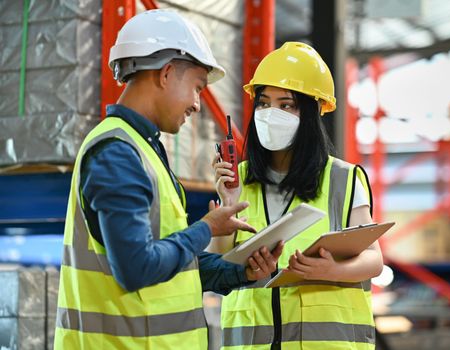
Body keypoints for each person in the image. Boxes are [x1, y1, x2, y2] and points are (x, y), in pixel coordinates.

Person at [54, 9, 282, 349]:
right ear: (166, 73)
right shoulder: (118, 154)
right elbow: (136, 268)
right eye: (197, 88)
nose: (198, 105)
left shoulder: (143, 151)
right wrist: (206, 228)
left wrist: (242, 272)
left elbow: (176, 263)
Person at [213, 42, 383, 349]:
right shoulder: (237, 179)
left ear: (311, 111)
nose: (270, 113)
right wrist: (228, 204)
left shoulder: (342, 179)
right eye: (263, 103)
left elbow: (374, 259)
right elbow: (216, 265)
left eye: (286, 104)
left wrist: (334, 270)